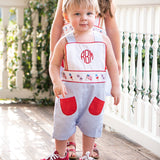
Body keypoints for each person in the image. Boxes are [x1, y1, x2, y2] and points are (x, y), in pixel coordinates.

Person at [41, 0, 121, 159]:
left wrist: (117, 59)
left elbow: (112, 28)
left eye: (89, 14)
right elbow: (57, 24)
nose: (84, 17)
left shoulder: (105, 2)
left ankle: (88, 147)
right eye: (79, 14)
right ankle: (69, 144)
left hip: (95, 59)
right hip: (70, 55)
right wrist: (53, 53)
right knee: (68, 104)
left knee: (91, 105)